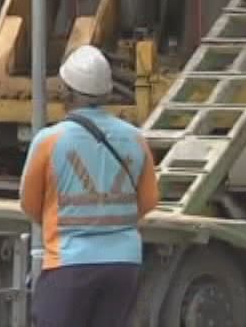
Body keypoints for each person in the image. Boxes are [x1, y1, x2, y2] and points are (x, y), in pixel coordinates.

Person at [18, 44, 160, 327]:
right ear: (107, 93)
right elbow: (149, 200)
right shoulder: (135, 138)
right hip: (124, 264)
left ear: (66, 93)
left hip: (69, 264)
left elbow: (29, 204)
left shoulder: (49, 141)